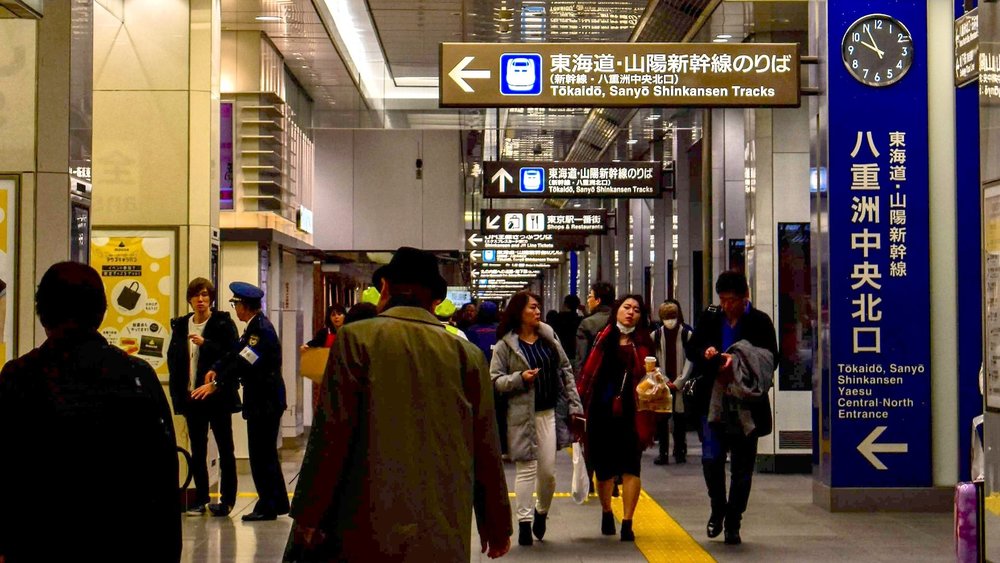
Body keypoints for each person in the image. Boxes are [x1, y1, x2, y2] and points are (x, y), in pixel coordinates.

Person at [285, 246, 511, 561]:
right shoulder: (467, 355)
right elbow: (485, 446)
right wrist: (496, 524)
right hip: (443, 526)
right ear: (435, 300)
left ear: (386, 289)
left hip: (367, 524)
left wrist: (309, 514)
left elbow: (331, 435)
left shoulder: (355, 340)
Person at [0, 262, 180, 562]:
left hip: (38, 545)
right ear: (101, 312)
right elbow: (162, 479)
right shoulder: (136, 377)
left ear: (42, 312)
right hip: (123, 544)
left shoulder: (18, 377)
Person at [687, 271, 777, 546]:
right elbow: (692, 349)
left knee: (742, 467)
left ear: (744, 297)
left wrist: (739, 362)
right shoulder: (710, 317)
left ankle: (734, 520)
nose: (726, 305)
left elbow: (771, 359)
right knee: (712, 459)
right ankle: (718, 507)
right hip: (712, 401)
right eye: (722, 300)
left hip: (745, 404)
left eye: (731, 300)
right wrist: (706, 353)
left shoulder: (760, 321)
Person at [491, 291, 583, 547]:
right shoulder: (505, 345)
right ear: (519, 311)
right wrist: (520, 379)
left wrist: (575, 406)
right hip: (520, 416)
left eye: (538, 307)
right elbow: (494, 380)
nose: (537, 311)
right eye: (532, 307)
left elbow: (565, 370)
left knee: (548, 473)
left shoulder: (548, 337)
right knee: (526, 469)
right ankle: (523, 524)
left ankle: (541, 512)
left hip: (548, 414)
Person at [192, 281, 289, 521]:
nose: (235, 308)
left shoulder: (260, 332)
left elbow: (245, 363)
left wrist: (216, 384)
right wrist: (216, 368)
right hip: (263, 401)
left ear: (245, 306)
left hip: (264, 402)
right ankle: (276, 502)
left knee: (260, 455)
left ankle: (267, 506)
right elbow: (234, 353)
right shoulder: (253, 328)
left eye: (236, 304)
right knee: (265, 454)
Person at [576, 295, 656, 542]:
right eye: (626, 307)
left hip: (633, 412)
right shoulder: (604, 337)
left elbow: (652, 375)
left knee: (632, 465)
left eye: (636, 310)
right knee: (604, 469)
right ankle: (607, 511)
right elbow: (588, 374)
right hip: (602, 411)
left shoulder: (644, 342)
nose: (631, 313)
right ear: (617, 310)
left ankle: (628, 522)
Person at [167, 277, 241, 517]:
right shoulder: (181, 326)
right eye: (196, 296)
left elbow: (232, 356)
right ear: (189, 299)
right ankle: (200, 498)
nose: (201, 300)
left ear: (211, 299)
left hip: (216, 396)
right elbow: (174, 361)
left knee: (225, 448)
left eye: (205, 296)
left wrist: (206, 344)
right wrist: (179, 396)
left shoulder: (222, 323)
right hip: (193, 397)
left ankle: (227, 499)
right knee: (197, 448)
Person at [650, 299, 694, 465]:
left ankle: (680, 450)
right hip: (664, 384)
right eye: (667, 316)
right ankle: (663, 452)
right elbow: (653, 361)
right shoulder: (656, 336)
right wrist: (665, 380)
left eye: (672, 316)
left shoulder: (686, 334)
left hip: (680, 384)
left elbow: (691, 359)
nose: (670, 320)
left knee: (680, 419)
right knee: (662, 419)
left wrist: (680, 381)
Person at [466, 302, 506, 455]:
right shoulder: (502, 332)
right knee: (500, 414)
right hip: (499, 379)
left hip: (477, 378)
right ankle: (501, 446)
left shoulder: (471, 331)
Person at [301, 304, 346, 411]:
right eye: (333, 315)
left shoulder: (349, 331)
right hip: (327, 373)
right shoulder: (325, 332)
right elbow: (314, 343)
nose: (336, 317)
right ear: (329, 318)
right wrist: (306, 346)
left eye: (339, 314)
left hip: (345, 372)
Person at [575, 281, 615, 373]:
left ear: (598, 301)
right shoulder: (619, 319)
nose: (587, 300)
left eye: (589, 297)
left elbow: (582, 358)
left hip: (595, 375)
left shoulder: (587, 323)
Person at [552, 294, 583, 364]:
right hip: (575, 353)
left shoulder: (557, 319)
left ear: (565, 304)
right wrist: (584, 310)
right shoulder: (580, 320)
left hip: (561, 352)